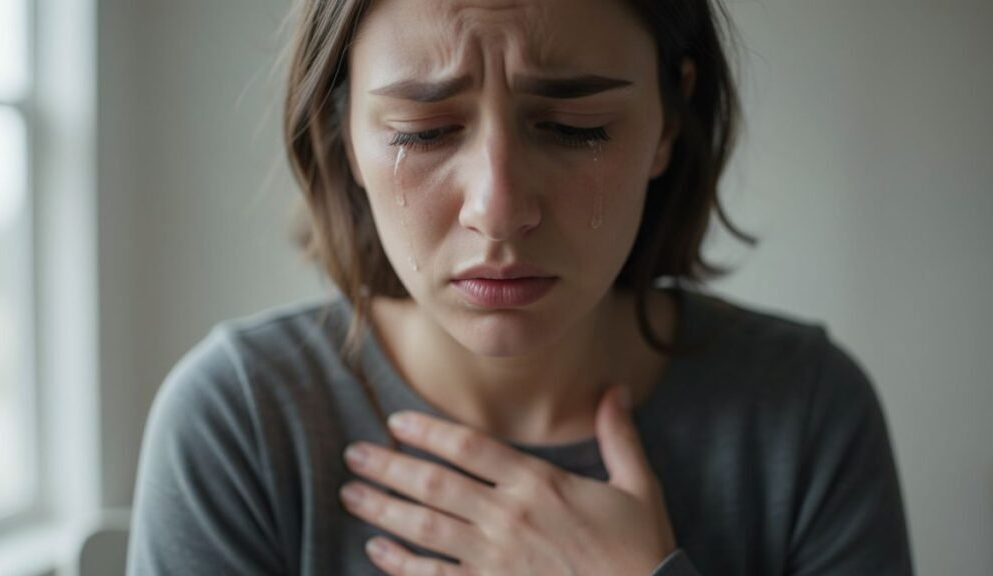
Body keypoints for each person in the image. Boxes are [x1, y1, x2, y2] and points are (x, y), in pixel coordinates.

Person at [126, 0, 915, 574]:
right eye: (423, 132)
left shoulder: (805, 412)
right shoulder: (242, 424)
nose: (498, 211)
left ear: (669, 124)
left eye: (577, 127)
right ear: (343, 137)